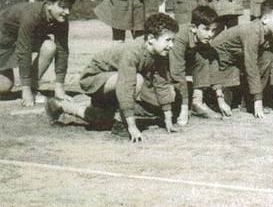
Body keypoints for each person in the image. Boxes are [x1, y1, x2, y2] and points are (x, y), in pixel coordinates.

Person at [45, 13, 179, 143]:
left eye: (173, 40)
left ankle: (61, 106)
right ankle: (122, 124)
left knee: (103, 120)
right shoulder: (133, 51)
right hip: (94, 79)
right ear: (150, 38)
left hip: (114, 81)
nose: (171, 45)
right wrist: (131, 126)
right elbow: (126, 86)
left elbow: (161, 83)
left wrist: (168, 118)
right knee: (136, 80)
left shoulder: (160, 53)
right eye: (168, 40)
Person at [211, 0, 273, 119]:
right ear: (265, 19)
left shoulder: (269, 32)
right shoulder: (253, 31)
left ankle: (248, 101)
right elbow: (251, 65)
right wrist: (258, 99)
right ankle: (249, 100)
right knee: (225, 104)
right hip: (219, 62)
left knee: (268, 56)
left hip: (235, 59)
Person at [0, 0, 75, 106]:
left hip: (18, 40)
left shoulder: (62, 19)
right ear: (49, 5)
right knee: (4, 86)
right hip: (3, 42)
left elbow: (63, 50)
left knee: (50, 46)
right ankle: (28, 89)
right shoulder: (32, 15)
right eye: (62, 7)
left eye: (69, 8)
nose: (67, 12)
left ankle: (33, 88)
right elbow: (24, 51)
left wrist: (59, 86)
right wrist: (25, 91)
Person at [168, 6, 221, 126]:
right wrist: (184, 107)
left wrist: (220, 97)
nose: (210, 34)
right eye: (206, 29)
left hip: (178, 60)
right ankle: (182, 104)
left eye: (213, 30)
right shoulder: (180, 36)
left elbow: (212, 63)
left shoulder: (204, 39)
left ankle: (198, 102)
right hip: (160, 62)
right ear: (193, 28)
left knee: (203, 59)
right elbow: (177, 71)